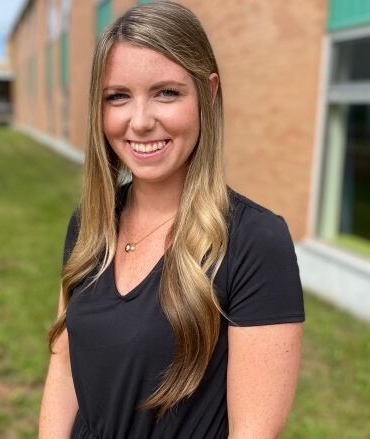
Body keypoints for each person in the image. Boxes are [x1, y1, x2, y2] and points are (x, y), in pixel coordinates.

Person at [38, 2, 305, 438]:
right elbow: (66, 361)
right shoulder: (90, 224)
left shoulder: (256, 241)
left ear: (208, 93)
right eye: (118, 96)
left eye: (166, 92)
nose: (140, 122)